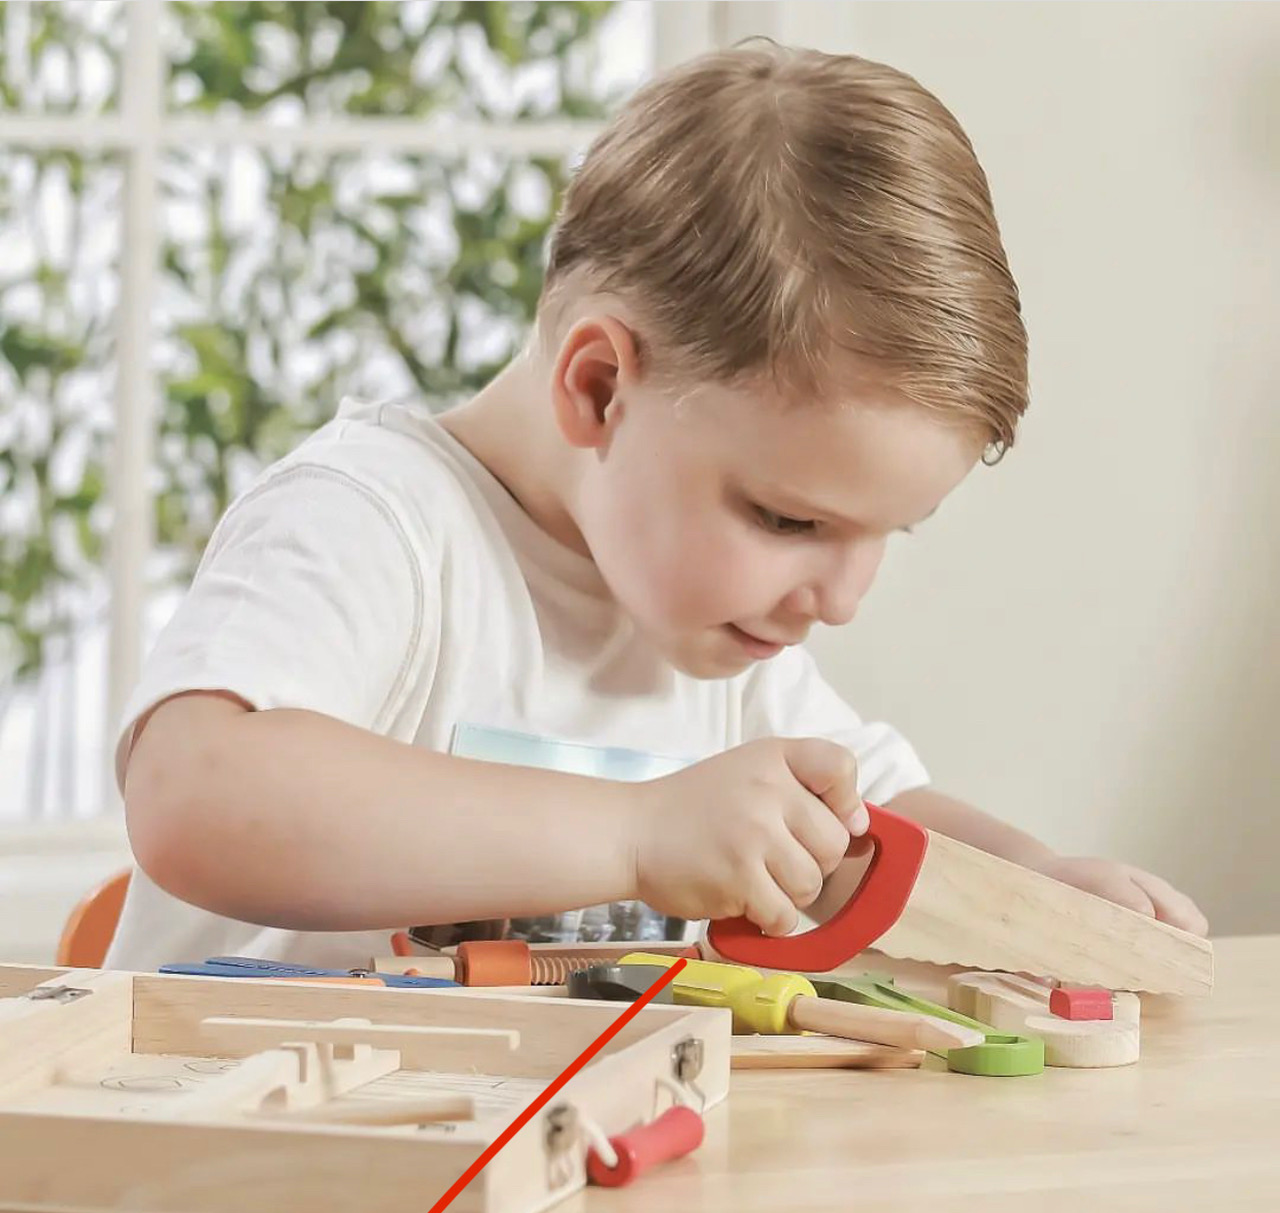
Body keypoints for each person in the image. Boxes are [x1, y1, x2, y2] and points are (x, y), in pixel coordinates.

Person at [105, 43, 1207, 972]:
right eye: (788, 521)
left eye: (883, 537)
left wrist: (1040, 884)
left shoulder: (711, 630)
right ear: (598, 387)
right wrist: (637, 833)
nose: (837, 600)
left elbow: (875, 818)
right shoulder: (380, 525)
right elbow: (192, 793)